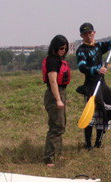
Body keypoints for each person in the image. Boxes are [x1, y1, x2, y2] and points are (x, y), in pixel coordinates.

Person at [76, 22, 111, 150]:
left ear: (94, 33)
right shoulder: (81, 50)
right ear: (81, 36)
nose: (88, 35)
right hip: (90, 85)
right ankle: (88, 144)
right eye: (85, 34)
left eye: (90, 33)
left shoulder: (99, 46)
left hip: (101, 83)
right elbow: (82, 67)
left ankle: (98, 142)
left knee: (105, 111)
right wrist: (97, 69)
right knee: (90, 117)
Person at [42, 34, 71, 167]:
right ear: (54, 48)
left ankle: (57, 153)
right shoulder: (52, 60)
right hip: (55, 94)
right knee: (55, 126)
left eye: (65, 48)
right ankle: (49, 159)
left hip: (61, 92)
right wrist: (58, 100)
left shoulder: (59, 60)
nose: (63, 51)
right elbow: (53, 81)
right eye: (61, 48)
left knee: (61, 125)